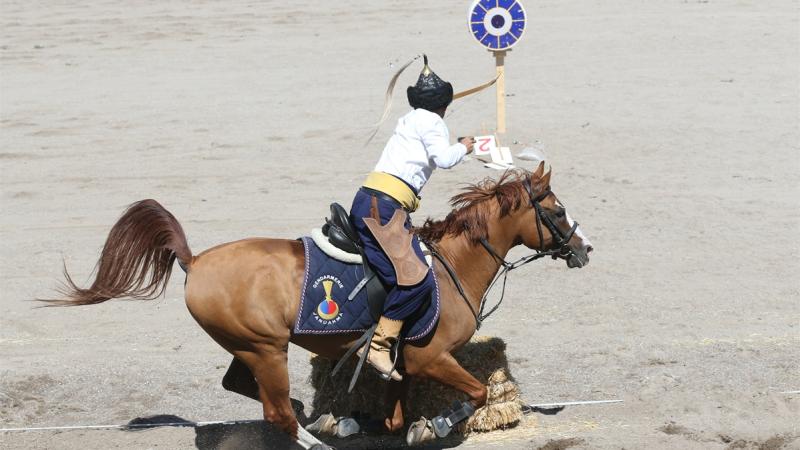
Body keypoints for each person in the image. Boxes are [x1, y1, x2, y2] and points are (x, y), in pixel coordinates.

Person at [350, 55, 475, 381]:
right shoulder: (433, 121)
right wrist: (464, 146)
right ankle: (380, 345)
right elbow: (444, 159)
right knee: (416, 279)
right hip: (383, 208)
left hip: (377, 202)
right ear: (443, 104)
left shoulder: (409, 119)